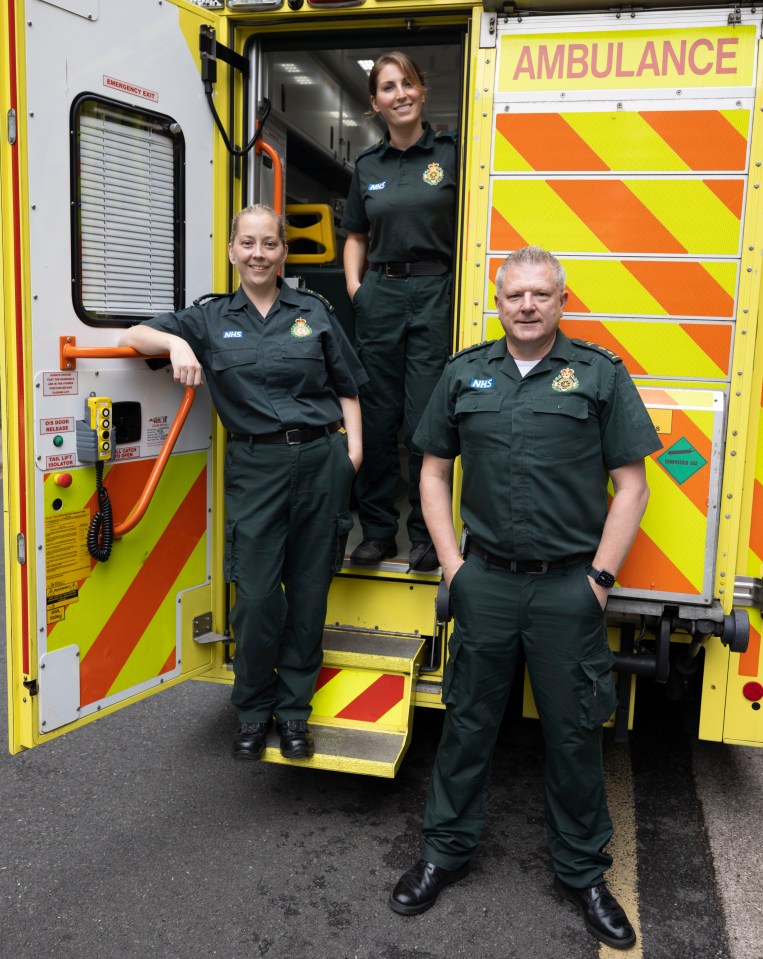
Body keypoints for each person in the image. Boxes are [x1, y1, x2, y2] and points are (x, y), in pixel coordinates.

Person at [388, 246, 662, 950]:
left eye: (541, 293)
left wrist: (598, 581)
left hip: (568, 588)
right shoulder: (463, 373)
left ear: (561, 300)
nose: (527, 305)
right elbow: (432, 472)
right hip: (486, 582)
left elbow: (632, 485)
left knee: (572, 733)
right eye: (515, 294)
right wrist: (452, 565)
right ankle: (442, 853)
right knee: (467, 721)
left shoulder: (597, 376)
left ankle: (583, 873)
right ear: (498, 300)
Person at [118, 204, 366, 762]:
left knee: (308, 594)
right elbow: (136, 335)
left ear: (283, 252)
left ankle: (295, 712)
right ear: (232, 250)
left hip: (321, 460)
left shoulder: (314, 310)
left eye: (270, 244)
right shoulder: (208, 318)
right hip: (256, 467)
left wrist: (351, 453)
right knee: (255, 598)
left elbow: (348, 384)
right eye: (248, 243)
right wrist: (177, 345)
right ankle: (254, 709)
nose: (259, 254)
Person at [341, 51, 457, 572]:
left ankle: (429, 537)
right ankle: (379, 533)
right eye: (388, 87)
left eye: (407, 83)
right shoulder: (368, 166)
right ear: (375, 103)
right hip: (381, 296)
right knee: (378, 416)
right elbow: (355, 235)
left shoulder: (453, 154)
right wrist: (356, 288)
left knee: (425, 419)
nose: (400, 94)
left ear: (422, 91)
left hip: (435, 293)